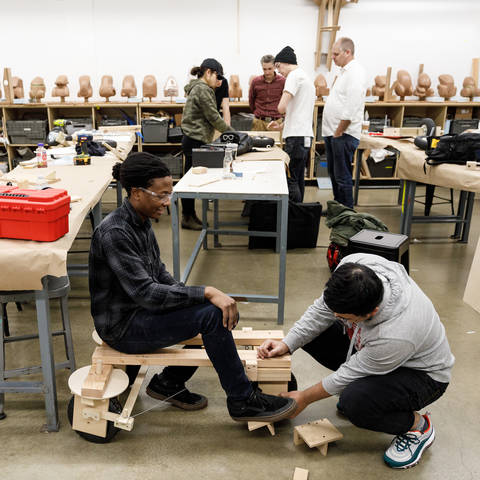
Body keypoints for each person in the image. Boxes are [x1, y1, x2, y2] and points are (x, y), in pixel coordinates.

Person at [89, 152, 296, 423]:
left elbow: (158, 272)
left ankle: (167, 384)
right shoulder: (115, 232)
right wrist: (205, 293)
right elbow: (147, 294)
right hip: (124, 327)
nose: (167, 202)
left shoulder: (140, 220)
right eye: (161, 195)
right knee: (213, 313)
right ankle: (242, 400)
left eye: (169, 194)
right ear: (137, 192)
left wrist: (198, 298)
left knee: (220, 309)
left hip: (139, 313)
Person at [258, 253, 454, 469]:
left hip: (422, 376)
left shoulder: (396, 335)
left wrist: (304, 397)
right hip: (378, 353)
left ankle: (417, 427)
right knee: (314, 334)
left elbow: (349, 373)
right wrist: (287, 344)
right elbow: (321, 311)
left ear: (372, 311)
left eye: (345, 318)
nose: (337, 317)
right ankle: (369, 392)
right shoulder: (356, 265)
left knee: (355, 404)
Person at [181, 58, 232, 230]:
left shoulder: (199, 88)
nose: (218, 80)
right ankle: (187, 217)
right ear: (208, 72)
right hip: (194, 139)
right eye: (216, 75)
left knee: (193, 178)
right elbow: (213, 116)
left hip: (195, 138)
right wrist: (231, 132)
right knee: (190, 180)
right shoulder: (202, 90)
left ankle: (190, 215)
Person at [322, 37, 367, 209]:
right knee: (334, 174)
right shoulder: (343, 72)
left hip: (343, 134)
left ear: (347, 52)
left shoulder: (355, 72)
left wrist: (339, 131)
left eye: (335, 54)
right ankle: (338, 209)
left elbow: (352, 106)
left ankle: (347, 213)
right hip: (333, 132)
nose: (332, 58)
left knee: (342, 175)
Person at [269, 46, 315, 202]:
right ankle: (299, 214)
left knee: (291, 179)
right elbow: (299, 112)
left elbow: (281, 107)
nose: (278, 71)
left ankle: (291, 216)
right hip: (304, 136)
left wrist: (279, 108)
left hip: (295, 138)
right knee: (298, 177)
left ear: (286, 62)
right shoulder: (305, 77)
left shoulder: (294, 76)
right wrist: (281, 126)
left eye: (278, 66)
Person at [249, 54, 285, 131]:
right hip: (259, 122)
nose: (267, 72)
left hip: (276, 122)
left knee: (276, 143)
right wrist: (258, 113)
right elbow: (251, 100)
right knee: (256, 143)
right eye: (264, 69)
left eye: (270, 69)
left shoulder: (283, 82)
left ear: (275, 67)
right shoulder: (255, 82)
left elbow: (285, 101)